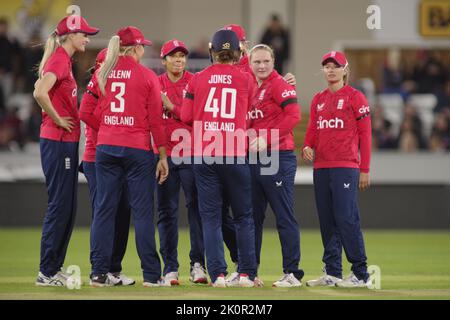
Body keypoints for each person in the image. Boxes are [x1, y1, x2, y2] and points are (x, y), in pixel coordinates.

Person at [89, 26, 168, 287]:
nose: (144, 50)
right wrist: (163, 155)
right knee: (143, 213)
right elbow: (156, 122)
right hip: (137, 149)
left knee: (103, 211)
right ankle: (151, 275)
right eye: (142, 45)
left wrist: (110, 129)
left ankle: (98, 273)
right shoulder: (147, 76)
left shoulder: (103, 72)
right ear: (135, 48)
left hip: (106, 148)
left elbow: (90, 110)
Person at [181, 29, 258, 287]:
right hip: (235, 152)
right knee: (244, 216)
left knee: (211, 217)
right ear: (238, 52)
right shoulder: (246, 79)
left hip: (205, 153)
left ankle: (218, 275)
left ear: (212, 51)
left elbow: (185, 117)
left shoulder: (197, 79)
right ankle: (247, 273)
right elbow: (250, 111)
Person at [33, 15, 99, 286]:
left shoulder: (63, 59)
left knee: (67, 207)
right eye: (84, 33)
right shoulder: (59, 59)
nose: (88, 38)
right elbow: (39, 92)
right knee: (60, 207)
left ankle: (53, 268)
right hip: (57, 142)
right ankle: (46, 271)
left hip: (64, 143)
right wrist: (58, 119)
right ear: (71, 35)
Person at [303, 51, 372, 288]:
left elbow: (366, 135)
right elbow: (313, 129)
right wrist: (306, 146)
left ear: (345, 69)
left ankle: (361, 273)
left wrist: (365, 169)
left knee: (346, 218)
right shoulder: (317, 99)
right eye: (327, 66)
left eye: (336, 66)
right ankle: (332, 271)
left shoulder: (356, 97)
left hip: (345, 166)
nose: (330, 70)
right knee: (327, 220)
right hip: (321, 167)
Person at [247, 44, 303, 287]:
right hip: (253, 158)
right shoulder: (249, 86)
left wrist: (265, 138)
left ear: (273, 62)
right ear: (249, 63)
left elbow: (294, 116)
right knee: (251, 217)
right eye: (257, 62)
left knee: (283, 215)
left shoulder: (280, 84)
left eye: (266, 62)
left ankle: (292, 273)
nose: (261, 66)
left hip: (278, 156)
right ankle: (249, 272)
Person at [79, 48, 134, 286]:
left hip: (109, 158)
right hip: (96, 159)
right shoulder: (98, 92)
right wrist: (110, 131)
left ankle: (113, 269)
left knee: (121, 215)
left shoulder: (108, 91)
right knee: (106, 214)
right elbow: (87, 115)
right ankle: (100, 269)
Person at [157, 39, 208, 285]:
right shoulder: (155, 83)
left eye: (182, 56)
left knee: (196, 211)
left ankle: (198, 264)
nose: (178, 59)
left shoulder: (195, 82)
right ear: (163, 60)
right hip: (165, 157)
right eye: (173, 55)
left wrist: (171, 106)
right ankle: (170, 267)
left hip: (191, 155)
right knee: (166, 212)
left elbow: (197, 118)